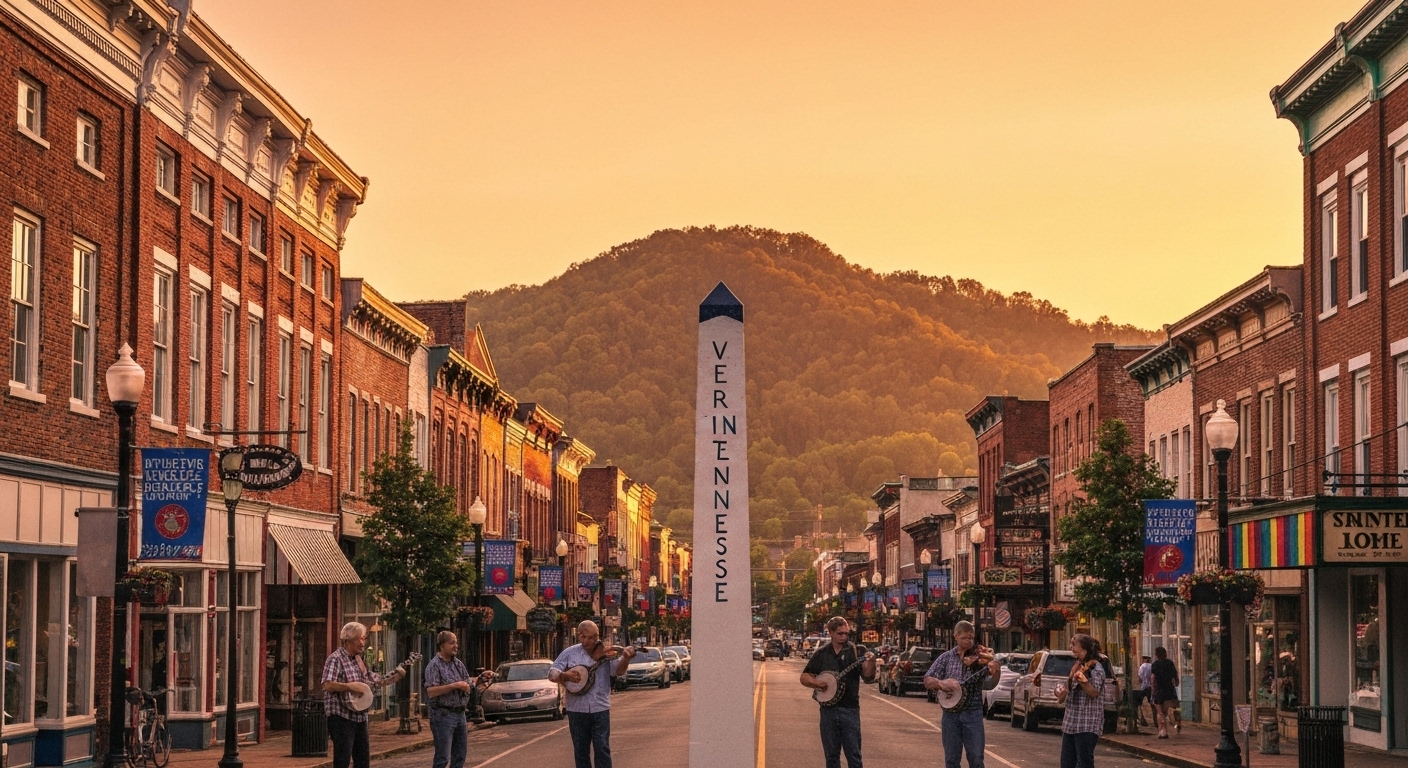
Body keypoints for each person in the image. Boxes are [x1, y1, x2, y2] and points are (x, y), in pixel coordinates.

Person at [548, 620, 636, 768]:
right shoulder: (570, 653)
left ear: (597, 636)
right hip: (576, 709)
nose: (587, 641)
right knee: (581, 751)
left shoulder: (608, 652)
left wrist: (626, 658)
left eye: (592, 638)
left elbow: (618, 671)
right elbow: (552, 673)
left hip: (600, 708)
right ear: (579, 636)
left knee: (602, 748)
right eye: (584, 637)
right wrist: (565, 675)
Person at [321, 622, 409, 768]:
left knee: (362, 761)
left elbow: (372, 680)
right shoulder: (335, 659)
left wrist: (395, 676)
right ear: (347, 641)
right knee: (342, 760)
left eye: (364, 638)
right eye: (360, 639)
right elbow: (327, 684)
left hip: (360, 716)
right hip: (341, 716)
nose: (363, 643)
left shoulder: (359, 659)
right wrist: (349, 686)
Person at [800, 616, 877, 768]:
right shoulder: (822, 654)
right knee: (831, 756)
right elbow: (804, 676)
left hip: (850, 709)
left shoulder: (857, 651)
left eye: (846, 633)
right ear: (831, 633)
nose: (844, 637)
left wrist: (871, 662)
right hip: (828, 710)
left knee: (854, 755)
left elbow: (868, 677)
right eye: (840, 633)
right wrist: (817, 683)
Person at [922, 620, 1000, 768]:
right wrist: (941, 683)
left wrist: (995, 669)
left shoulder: (981, 657)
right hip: (951, 715)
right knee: (951, 759)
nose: (968, 640)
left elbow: (991, 684)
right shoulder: (946, 658)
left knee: (976, 759)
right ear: (955, 636)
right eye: (964, 637)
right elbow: (927, 679)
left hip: (973, 714)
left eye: (971, 637)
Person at [423, 631, 490, 768]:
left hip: (460, 714)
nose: (456, 646)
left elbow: (467, 683)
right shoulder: (434, 665)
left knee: (459, 756)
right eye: (452, 643)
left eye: (456, 642)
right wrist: (454, 685)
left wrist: (481, 678)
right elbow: (431, 691)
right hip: (443, 715)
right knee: (443, 757)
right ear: (442, 645)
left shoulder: (457, 664)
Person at [1054, 634, 1108, 768]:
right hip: (1070, 723)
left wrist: (1083, 681)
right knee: (1066, 764)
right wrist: (1060, 691)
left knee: (1084, 763)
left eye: (1074, 644)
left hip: (1086, 725)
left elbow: (1094, 692)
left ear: (1084, 649)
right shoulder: (1077, 666)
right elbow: (1065, 690)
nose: (1071, 647)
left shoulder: (1096, 668)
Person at [1150, 646, 1181, 738]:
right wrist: (1176, 682)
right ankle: (1178, 723)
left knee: (1160, 712)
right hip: (1170, 690)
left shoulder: (1155, 664)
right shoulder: (1170, 663)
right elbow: (1175, 675)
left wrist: (1153, 690)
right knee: (1176, 708)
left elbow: (1153, 679)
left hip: (1159, 690)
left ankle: (1162, 731)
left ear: (1156, 655)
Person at [1134, 655, 1152, 726]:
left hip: (1143, 687)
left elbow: (1140, 677)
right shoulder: (1151, 666)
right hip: (1150, 687)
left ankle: (1143, 719)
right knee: (1152, 704)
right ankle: (1155, 721)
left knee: (1141, 704)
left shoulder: (1142, 667)